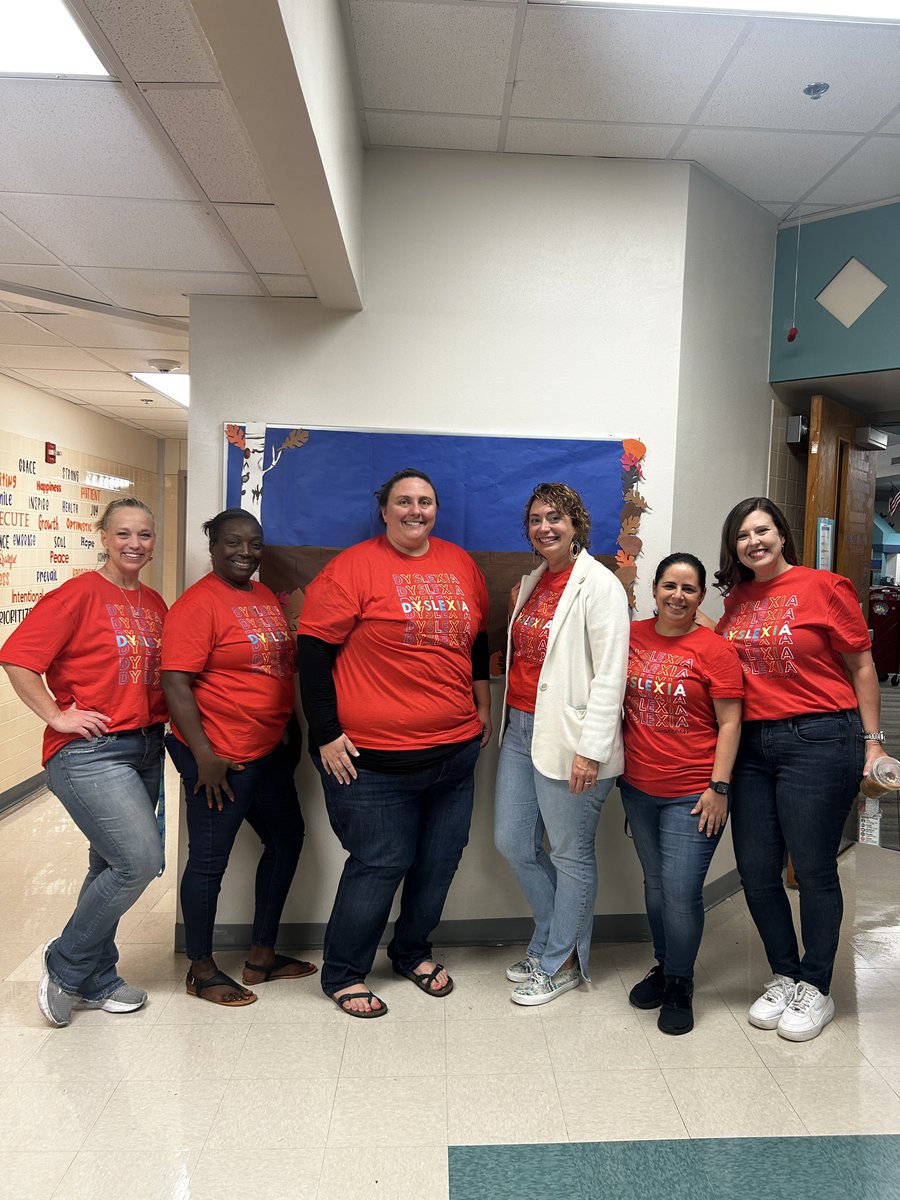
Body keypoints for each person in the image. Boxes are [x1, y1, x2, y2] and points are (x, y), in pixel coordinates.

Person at [297, 468, 491, 1018]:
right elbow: (312, 653)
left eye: (425, 501)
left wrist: (482, 703)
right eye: (403, 501)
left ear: (436, 509)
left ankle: (411, 951)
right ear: (383, 510)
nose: (415, 510)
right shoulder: (351, 568)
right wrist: (326, 731)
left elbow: (476, 638)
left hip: (454, 752)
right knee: (381, 862)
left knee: (439, 860)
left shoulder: (460, 564)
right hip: (372, 761)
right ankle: (343, 972)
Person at [715, 497, 885, 1041]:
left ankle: (816, 985)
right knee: (756, 870)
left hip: (818, 737)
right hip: (752, 748)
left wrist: (874, 744)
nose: (753, 542)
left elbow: (861, 664)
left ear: (781, 534)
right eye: (743, 536)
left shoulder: (824, 587)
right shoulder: (738, 598)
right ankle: (785, 974)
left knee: (811, 870)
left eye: (762, 531)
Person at [0, 497, 166, 1027]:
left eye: (144, 535)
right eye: (123, 534)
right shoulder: (77, 595)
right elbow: (19, 657)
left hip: (145, 747)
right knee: (140, 861)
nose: (134, 544)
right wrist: (58, 714)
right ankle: (66, 962)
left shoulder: (154, 603)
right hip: (90, 752)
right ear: (104, 536)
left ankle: (99, 978)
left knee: (108, 865)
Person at [162, 508, 309, 1007]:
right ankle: (201, 970)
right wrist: (204, 755)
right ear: (212, 546)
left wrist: (290, 725)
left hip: (265, 751)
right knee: (208, 863)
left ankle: (262, 957)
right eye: (233, 543)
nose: (245, 552)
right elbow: (175, 683)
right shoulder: (197, 604)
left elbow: (271, 668)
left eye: (254, 544)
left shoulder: (264, 595)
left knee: (287, 840)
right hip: (220, 759)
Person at [494, 482, 629, 1006]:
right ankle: (553, 940)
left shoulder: (599, 585)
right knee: (513, 840)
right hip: (522, 728)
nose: (544, 526)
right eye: (535, 519)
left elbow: (610, 675)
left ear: (576, 524)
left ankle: (565, 961)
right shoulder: (534, 582)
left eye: (556, 517)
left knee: (571, 853)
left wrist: (591, 750)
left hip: (573, 738)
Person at [620, 553, 743, 1034]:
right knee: (655, 885)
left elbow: (731, 722)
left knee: (680, 890)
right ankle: (664, 962)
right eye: (669, 586)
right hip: (638, 789)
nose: (677, 596)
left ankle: (679, 981)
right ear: (653, 590)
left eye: (689, 589)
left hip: (694, 793)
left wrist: (720, 787)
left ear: (701, 597)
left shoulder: (714, 649)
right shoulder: (631, 638)